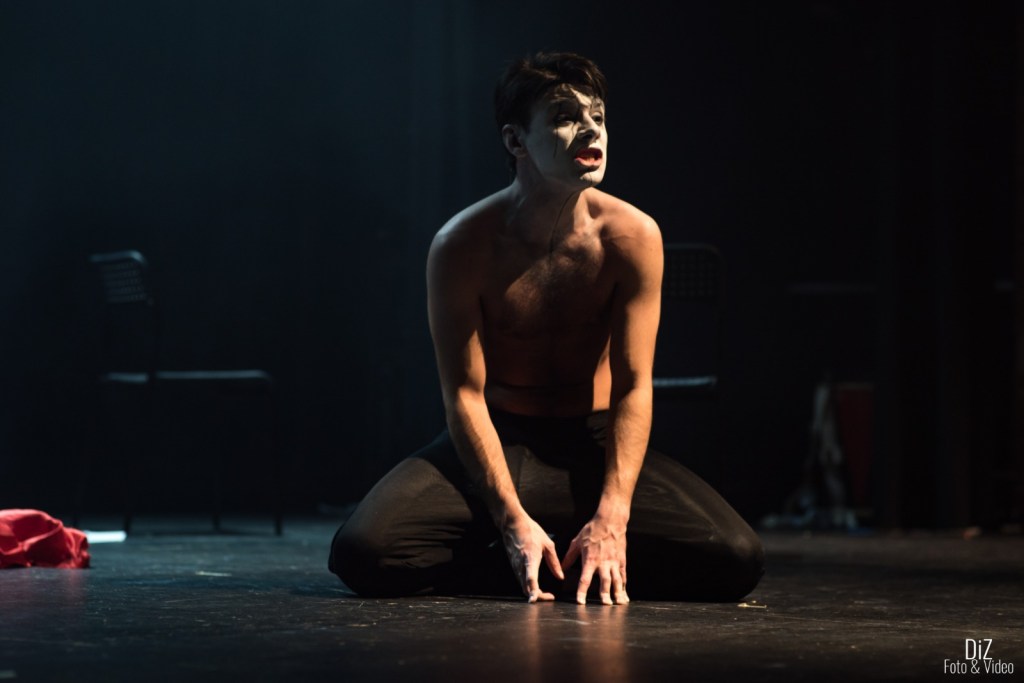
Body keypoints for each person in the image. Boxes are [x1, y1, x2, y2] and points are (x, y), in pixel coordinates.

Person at [329, 52, 763, 605]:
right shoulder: (462, 246)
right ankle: (526, 550)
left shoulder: (632, 236)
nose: (591, 130)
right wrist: (510, 518)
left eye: (598, 117)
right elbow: (464, 396)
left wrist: (613, 516)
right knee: (362, 553)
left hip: (593, 439)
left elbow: (633, 385)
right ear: (516, 141)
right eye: (565, 117)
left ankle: (579, 552)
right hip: (501, 436)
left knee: (736, 559)